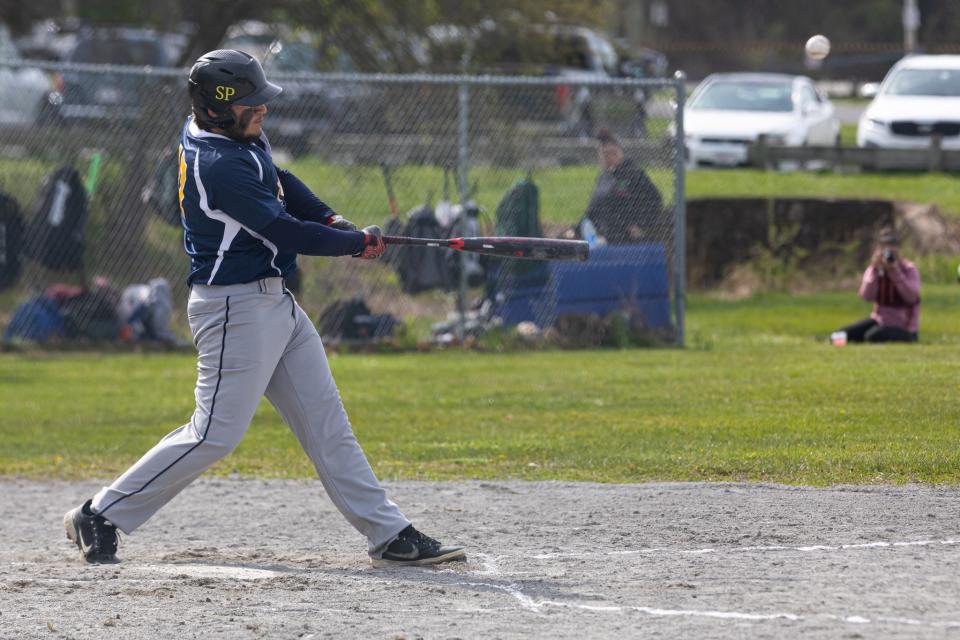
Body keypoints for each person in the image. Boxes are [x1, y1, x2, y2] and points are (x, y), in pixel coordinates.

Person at [63, 50, 465, 568]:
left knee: (327, 423)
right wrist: (352, 244)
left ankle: (389, 535)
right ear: (215, 108)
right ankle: (100, 512)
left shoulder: (235, 137)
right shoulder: (218, 164)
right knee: (213, 434)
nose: (263, 111)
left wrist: (335, 220)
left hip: (272, 302)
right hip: (234, 308)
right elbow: (282, 229)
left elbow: (281, 181)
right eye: (251, 104)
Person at [579, 127, 663, 245]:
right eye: (604, 154)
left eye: (612, 153)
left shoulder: (634, 173)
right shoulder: (604, 177)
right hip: (604, 237)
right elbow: (593, 208)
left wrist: (640, 225)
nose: (608, 157)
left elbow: (655, 199)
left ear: (619, 152)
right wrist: (578, 228)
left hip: (627, 240)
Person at [834, 231, 920, 343]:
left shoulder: (909, 269)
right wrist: (874, 269)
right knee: (839, 336)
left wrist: (895, 272)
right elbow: (866, 296)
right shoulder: (876, 270)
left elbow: (911, 296)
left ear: (900, 250)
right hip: (879, 321)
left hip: (905, 328)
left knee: (872, 336)